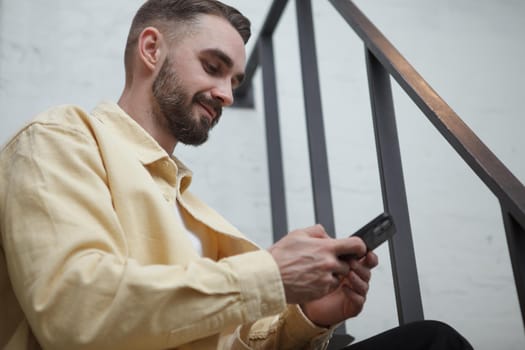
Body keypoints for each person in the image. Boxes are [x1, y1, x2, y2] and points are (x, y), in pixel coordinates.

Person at [0, 0, 473, 349]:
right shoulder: (59, 139)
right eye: (213, 67)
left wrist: (305, 316)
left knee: (429, 341)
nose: (226, 94)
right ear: (150, 49)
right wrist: (269, 274)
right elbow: (76, 314)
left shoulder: (190, 208)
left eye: (235, 81)